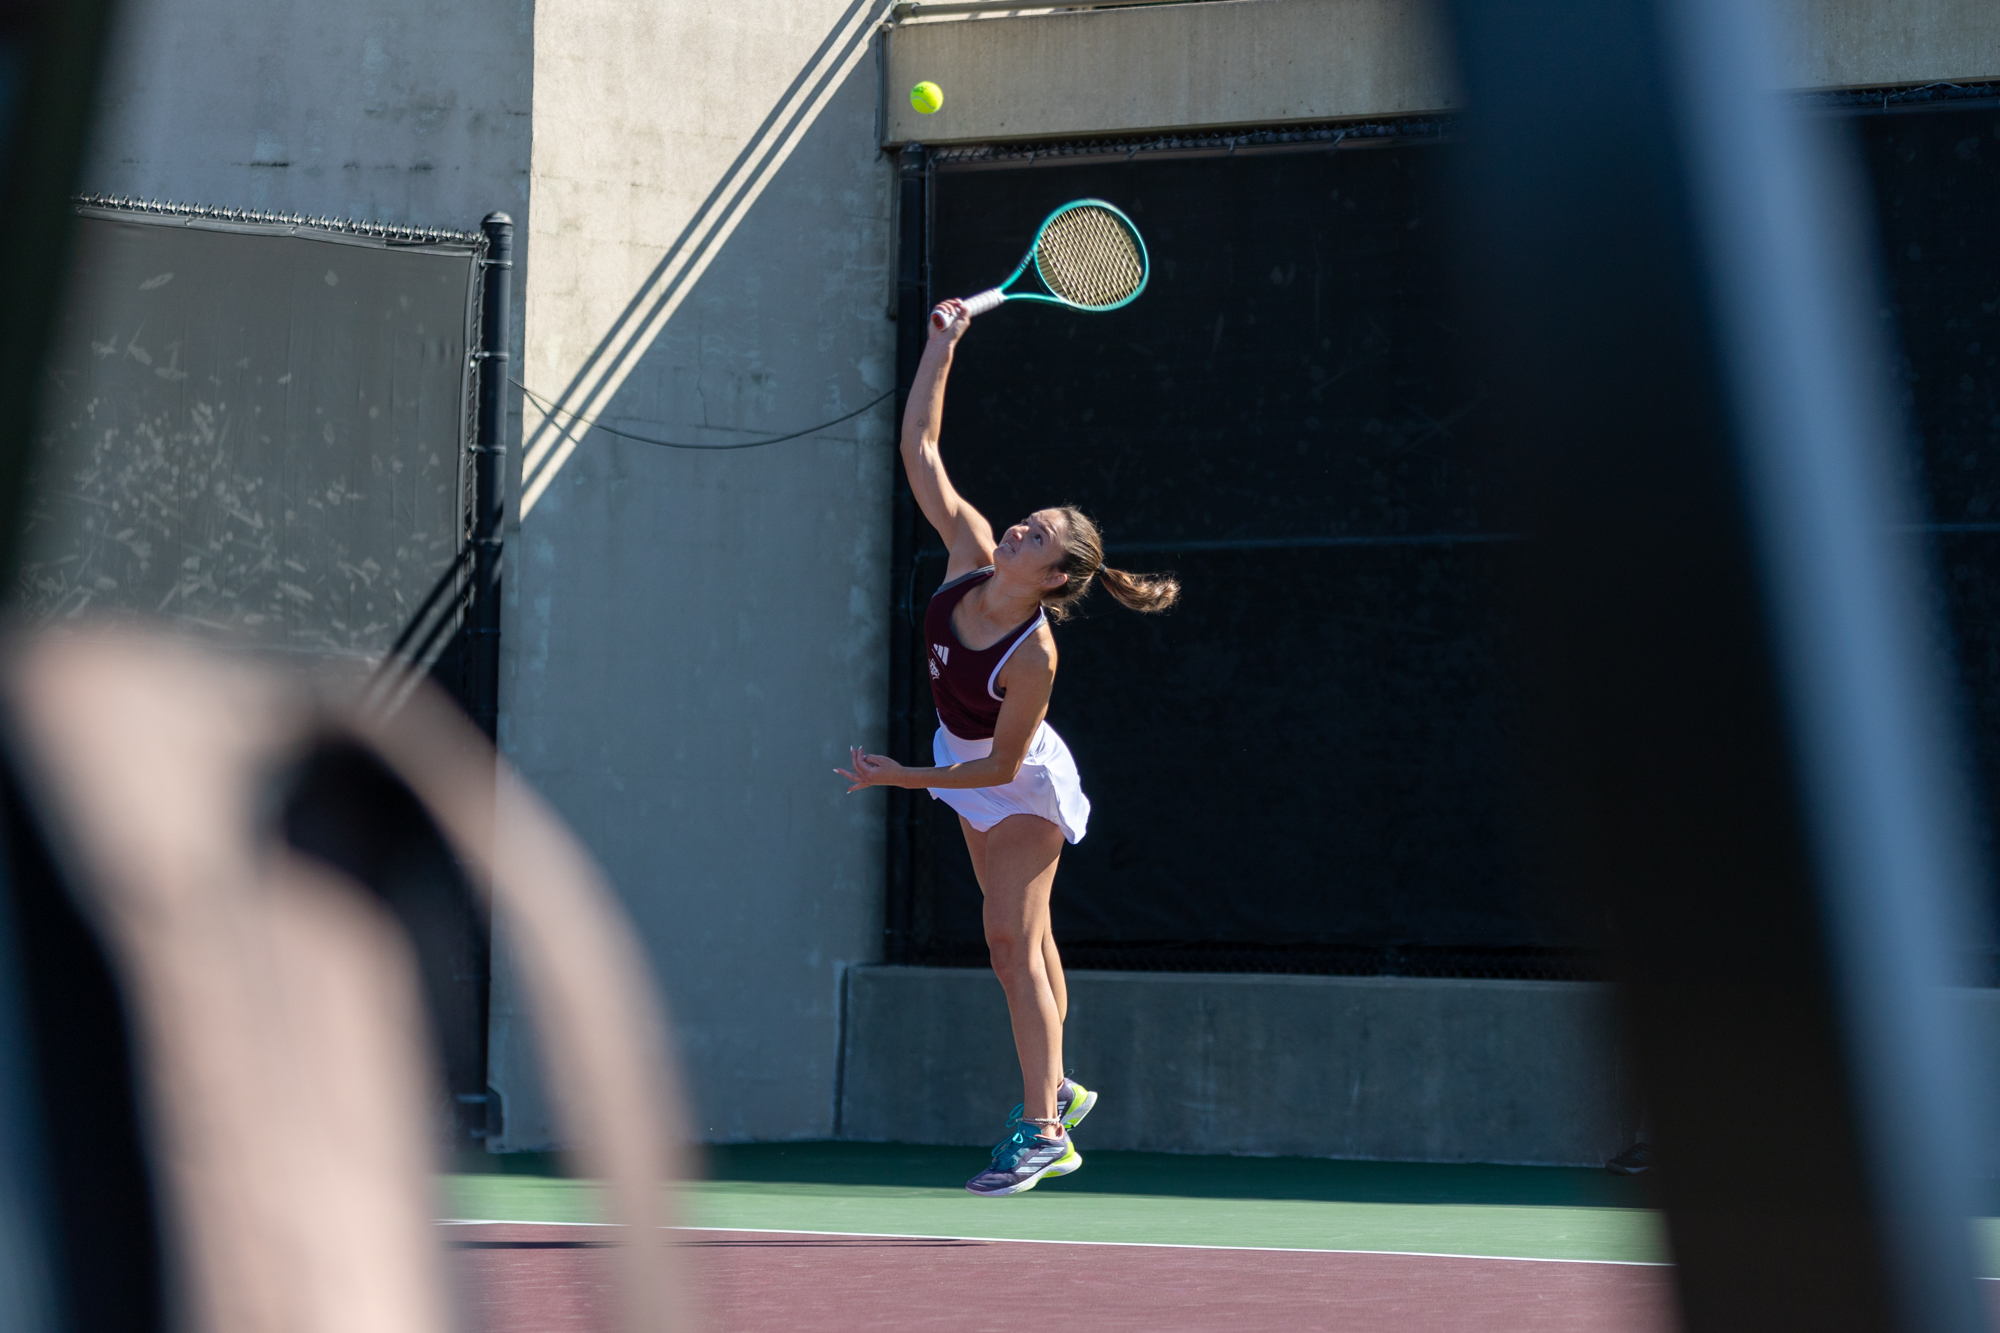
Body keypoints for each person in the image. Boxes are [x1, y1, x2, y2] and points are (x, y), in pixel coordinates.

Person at [836, 298, 1181, 1196]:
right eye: (1025, 521)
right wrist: (939, 349)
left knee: (1006, 937)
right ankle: (1057, 1084)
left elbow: (998, 767)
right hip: (963, 763)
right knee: (1027, 938)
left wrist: (903, 776)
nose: (1019, 529)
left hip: (1015, 779)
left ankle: (1042, 1130)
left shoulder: (1036, 656)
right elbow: (920, 450)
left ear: (1056, 578)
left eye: (1039, 537)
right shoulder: (968, 556)